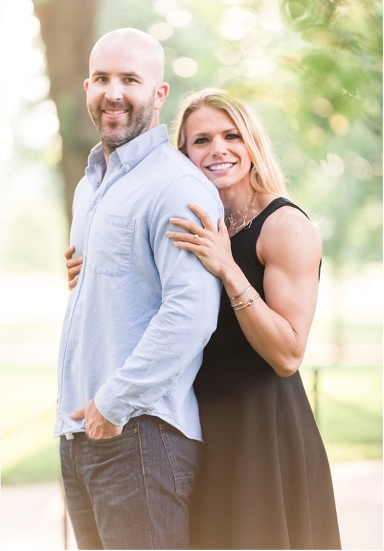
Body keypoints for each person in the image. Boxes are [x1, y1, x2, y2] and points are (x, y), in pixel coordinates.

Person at [67, 88, 341, 549]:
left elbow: (289, 353)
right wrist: (90, 270)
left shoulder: (285, 226)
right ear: (183, 154)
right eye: (201, 140)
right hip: (193, 423)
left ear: (252, 143)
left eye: (231, 135)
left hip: (260, 428)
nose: (218, 149)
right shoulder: (187, 217)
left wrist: (229, 270)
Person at [56, 28, 223, 550]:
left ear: (159, 93)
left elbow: (191, 312)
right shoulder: (91, 186)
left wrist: (114, 404)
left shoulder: (176, 186)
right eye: (102, 78)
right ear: (86, 87)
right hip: (83, 435)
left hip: (140, 435)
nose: (113, 93)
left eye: (130, 79)